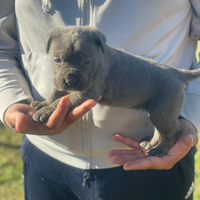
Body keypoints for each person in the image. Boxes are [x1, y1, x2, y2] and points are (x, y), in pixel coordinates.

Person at [0, 0, 199, 200]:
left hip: (141, 160)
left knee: (163, 120)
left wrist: (192, 116)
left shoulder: (102, 62)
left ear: (100, 48)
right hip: (46, 154)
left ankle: (164, 141)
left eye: (86, 62)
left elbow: (88, 93)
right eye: (58, 60)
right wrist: (13, 99)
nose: (68, 75)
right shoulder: (60, 42)